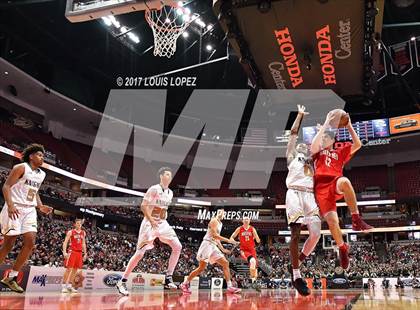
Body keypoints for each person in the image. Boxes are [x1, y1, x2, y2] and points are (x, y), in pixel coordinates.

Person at [310, 111, 373, 270]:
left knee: (345, 181)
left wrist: (349, 125)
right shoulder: (318, 153)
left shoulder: (339, 152)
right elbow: (313, 146)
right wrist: (325, 123)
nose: (323, 139)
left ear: (333, 140)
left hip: (335, 183)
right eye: (323, 137)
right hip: (321, 189)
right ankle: (342, 247)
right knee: (332, 221)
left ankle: (356, 219)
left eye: (326, 137)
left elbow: (357, 144)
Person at [116, 167, 182, 295]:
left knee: (178, 246)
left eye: (171, 174)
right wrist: (151, 220)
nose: (170, 176)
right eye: (168, 174)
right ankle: (122, 282)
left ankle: (168, 278)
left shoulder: (170, 193)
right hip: (149, 224)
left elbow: (164, 209)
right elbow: (143, 206)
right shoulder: (154, 189)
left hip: (162, 224)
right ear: (161, 176)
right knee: (139, 254)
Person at [0, 143, 52, 292]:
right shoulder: (21, 168)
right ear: (31, 156)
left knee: (30, 242)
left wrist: (40, 206)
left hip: (29, 210)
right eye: (40, 155)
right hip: (14, 207)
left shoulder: (42, 174)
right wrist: (10, 205)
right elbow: (6, 186)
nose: (42, 158)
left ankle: (12, 277)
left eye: (43, 156)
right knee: (9, 244)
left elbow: (34, 191)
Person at [285, 104, 321, 296]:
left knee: (316, 234)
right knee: (296, 233)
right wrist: (299, 116)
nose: (302, 145)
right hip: (294, 193)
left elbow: (321, 144)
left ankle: (295, 264)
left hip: (309, 195)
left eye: (303, 144)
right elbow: (293, 133)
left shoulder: (312, 159)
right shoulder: (292, 156)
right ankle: (297, 277)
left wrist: (321, 130)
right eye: (299, 144)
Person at [180, 207, 241, 294]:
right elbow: (214, 235)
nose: (222, 213)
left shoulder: (220, 223)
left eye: (223, 212)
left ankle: (229, 286)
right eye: (220, 212)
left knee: (225, 263)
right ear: (217, 213)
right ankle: (184, 283)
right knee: (201, 268)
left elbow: (217, 239)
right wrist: (228, 240)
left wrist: (223, 249)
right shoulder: (214, 221)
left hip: (213, 246)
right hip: (207, 245)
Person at [230, 216, 262, 291]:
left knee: (254, 267)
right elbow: (231, 238)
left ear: (249, 221)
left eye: (247, 219)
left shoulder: (252, 229)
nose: (246, 220)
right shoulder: (239, 229)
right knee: (252, 261)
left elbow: (258, 241)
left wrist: (256, 238)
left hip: (252, 250)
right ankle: (253, 282)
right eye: (245, 219)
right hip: (244, 250)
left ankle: (254, 282)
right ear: (242, 221)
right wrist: (235, 242)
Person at [61, 218, 87, 293]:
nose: (79, 225)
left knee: (75, 270)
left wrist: (85, 253)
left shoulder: (83, 233)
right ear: (75, 224)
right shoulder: (70, 232)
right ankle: (63, 286)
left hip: (79, 253)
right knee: (69, 269)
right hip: (72, 252)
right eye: (78, 223)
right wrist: (64, 252)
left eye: (80, 224)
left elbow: (83, 243)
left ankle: (70, 285)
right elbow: (65, 242)